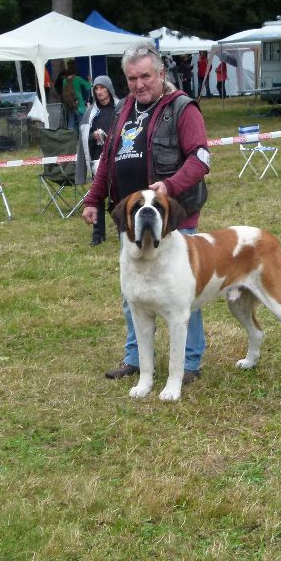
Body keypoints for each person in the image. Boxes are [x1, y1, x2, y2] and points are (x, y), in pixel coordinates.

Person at [81, 41, 211, 384]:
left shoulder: (182, 108)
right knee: (133, 292)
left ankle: (190, 364)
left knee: (181, 292)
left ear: (161, 73)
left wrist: (169, 186)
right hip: (133, 217)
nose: (139, 84)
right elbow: (109, 159)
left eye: (146, 76)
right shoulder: (124, 109)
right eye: (132, 78)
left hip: (172, 217)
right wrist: (93, 199)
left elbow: (201, 159)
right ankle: (137, 358)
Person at [78, 76, 122, 247]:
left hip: (118, 159)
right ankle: (98, 235)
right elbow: (83, 138)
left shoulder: (121, 108)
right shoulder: (90, 114)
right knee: (97, 197)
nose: (99, 92)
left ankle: (123, 230)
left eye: (102, 88)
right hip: (98, 159)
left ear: (109, 89)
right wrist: (93, 136)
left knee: (118, 196)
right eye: (96, 89)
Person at [59, 61, 91, 130]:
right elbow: (88, 87)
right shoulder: (78, 79)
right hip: (79, 104)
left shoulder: (64, 80)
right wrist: (90, 81)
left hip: (70, 104)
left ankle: (70, 138)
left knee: (71, 121)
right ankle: (81, 138)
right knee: (82, 123)